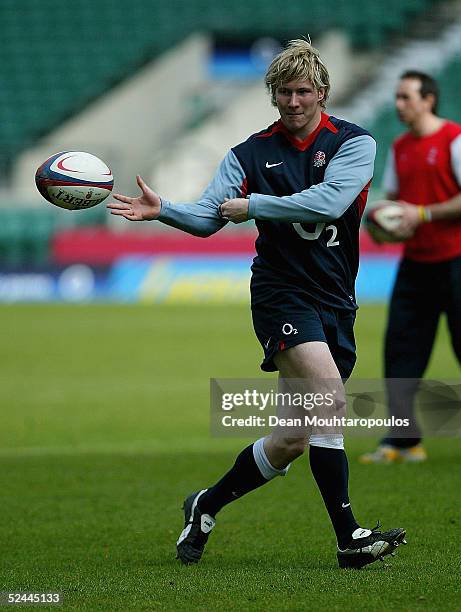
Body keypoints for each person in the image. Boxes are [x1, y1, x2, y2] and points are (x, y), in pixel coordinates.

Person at [108, 39, 406, 568]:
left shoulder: (355, 144)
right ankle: (349, 538)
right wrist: (164, 210)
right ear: (272, 94)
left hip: (336, 298)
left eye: (303, 92)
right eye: (284, 92)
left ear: (323, 93)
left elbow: (332, 200)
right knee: (331, 397)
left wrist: (254, 206)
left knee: (293, 436)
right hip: (280, 295)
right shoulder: (247, 154)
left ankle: (204, 505)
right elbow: (207, 217)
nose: (293, 102)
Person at [360, 71, 461, 464]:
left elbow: (419, 210)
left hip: (455, 261)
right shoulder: (400, 147)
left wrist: (421, 213)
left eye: (405, 97)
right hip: (415, 265)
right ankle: (403, 442)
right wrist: (385, 230)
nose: (398, 104)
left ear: (428, 99)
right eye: (397, 97)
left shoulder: (453, 139)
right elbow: (397, 208)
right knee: (400, 354)